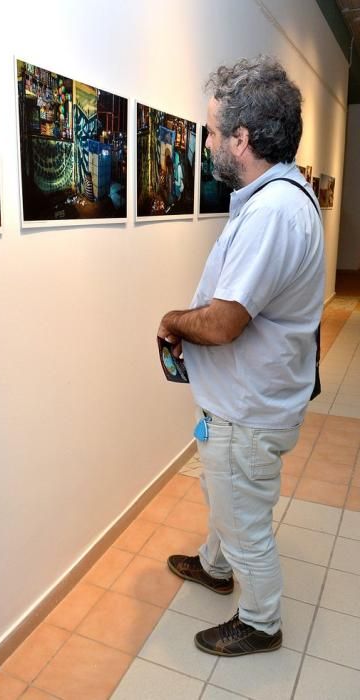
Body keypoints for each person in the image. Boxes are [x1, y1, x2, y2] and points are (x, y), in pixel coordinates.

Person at [158, 56, 324, 657]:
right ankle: (213, 564)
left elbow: (227, 321)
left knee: (244, 518)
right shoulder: (273, 198)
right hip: (247, 401)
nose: (204, 143)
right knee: (228, 496)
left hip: (248, 413)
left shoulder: (274, 212)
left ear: (241, 138)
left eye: (209, 130)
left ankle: (260, 621)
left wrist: (175, 320)